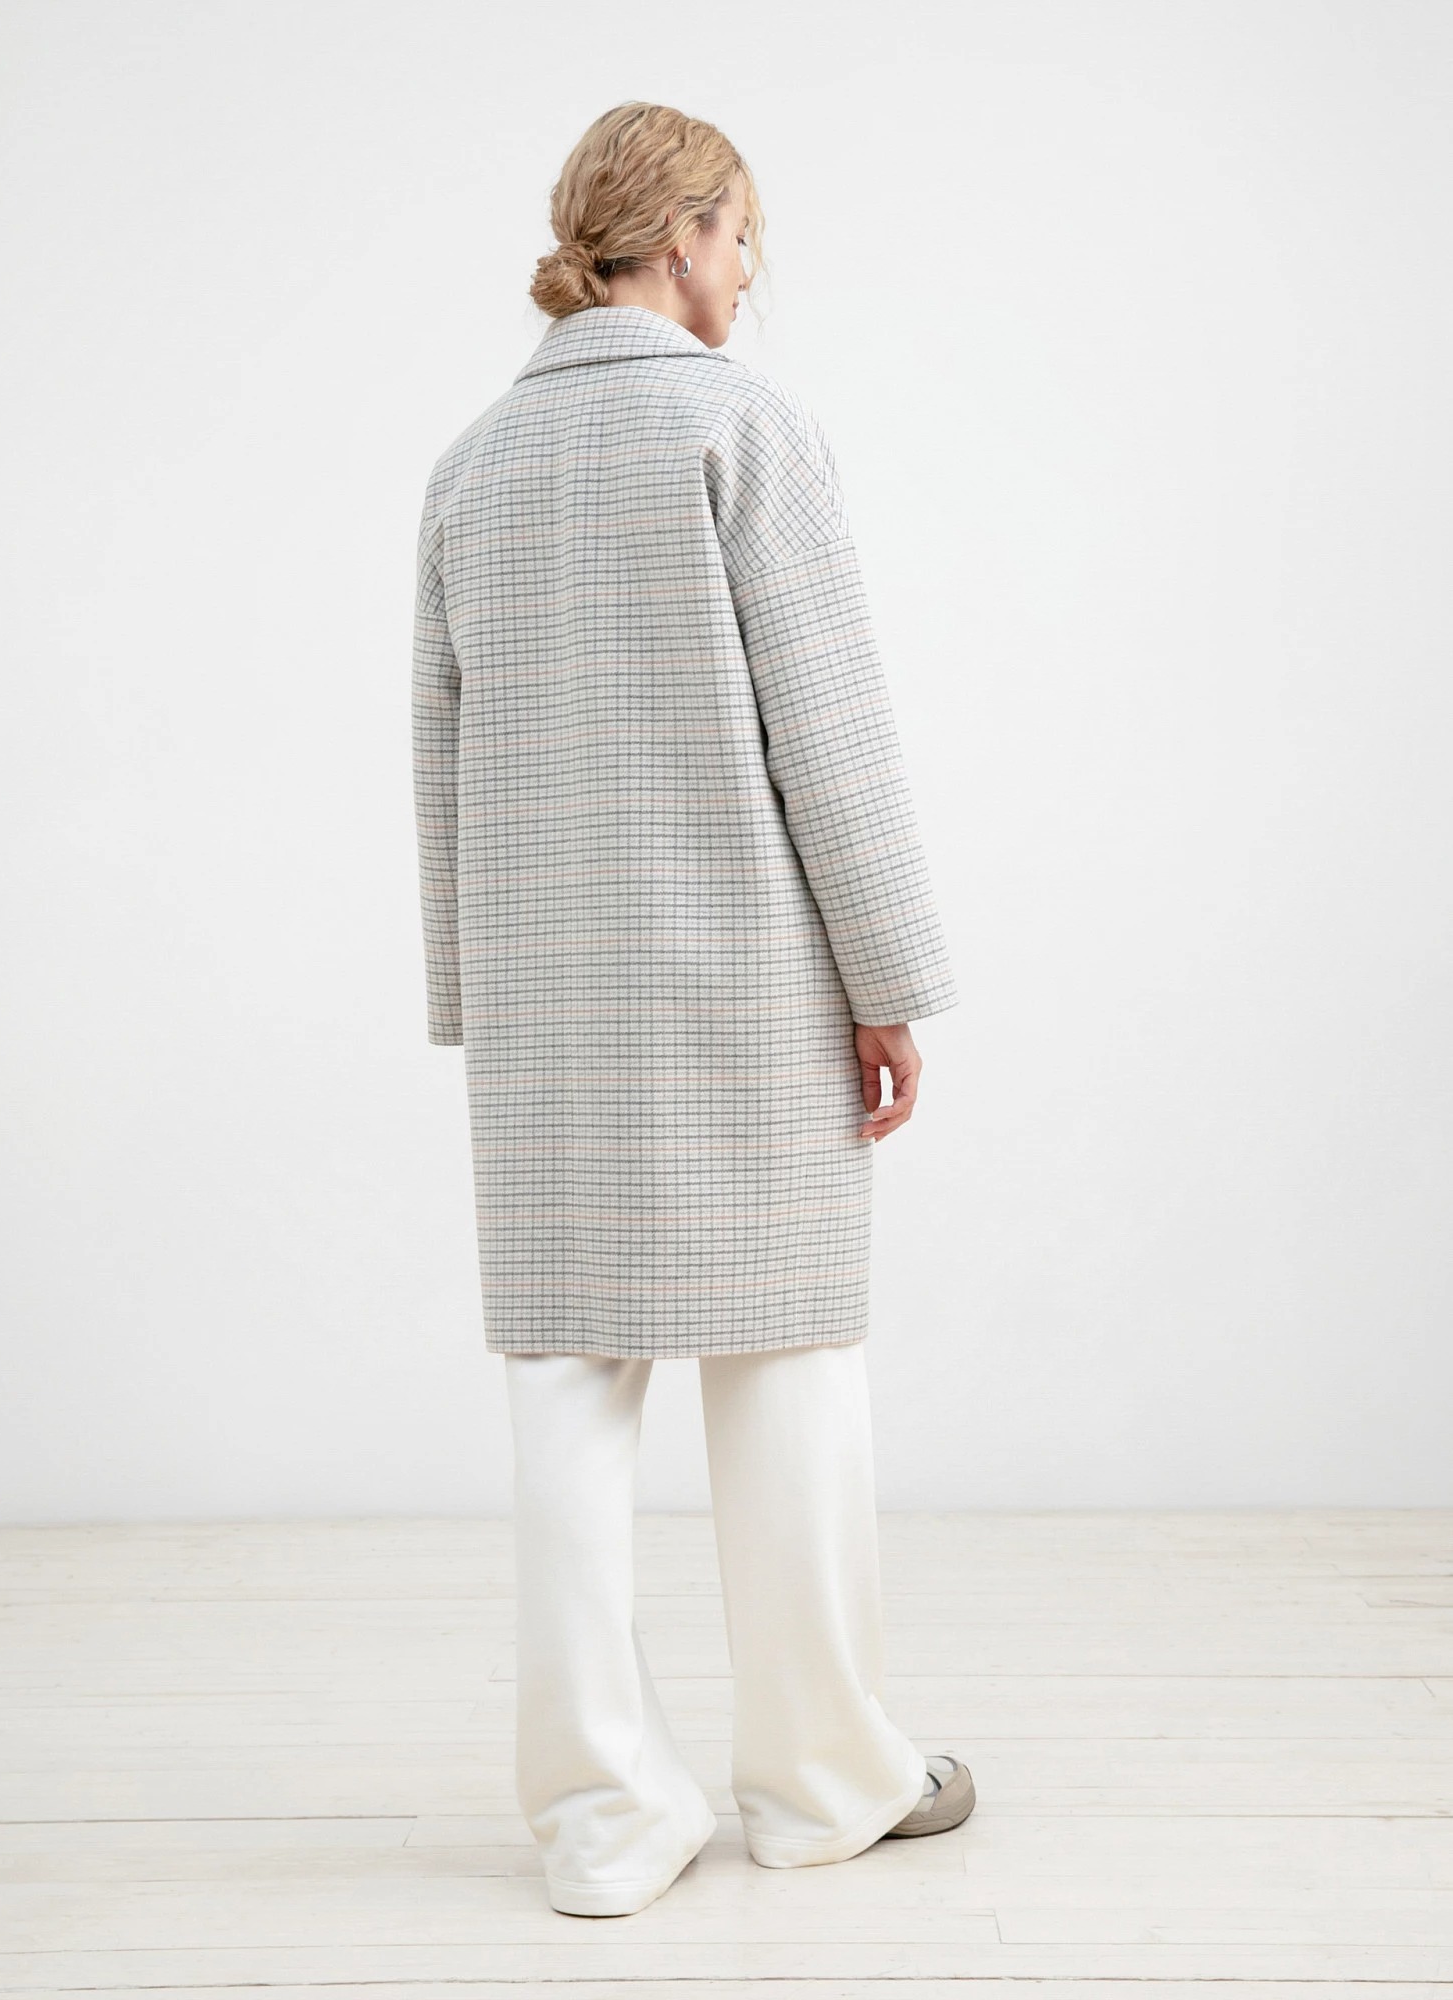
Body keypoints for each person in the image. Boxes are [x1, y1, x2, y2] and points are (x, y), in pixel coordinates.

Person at [412, 100, 975, 1918]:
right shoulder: (742, 426)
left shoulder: (474, 465)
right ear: (689, 233)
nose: (751, 273)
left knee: (566, 1400)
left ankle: (603, 1820)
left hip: (550, 1005)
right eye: (745, 239)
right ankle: (823, 1783)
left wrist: (471, 995)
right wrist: (888, 981)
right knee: (789, 1364)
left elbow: (442, 756)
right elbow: (834, 731)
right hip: (743, 987)